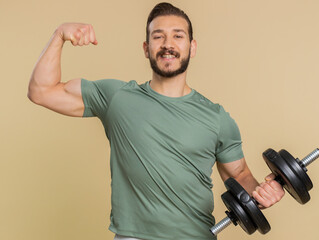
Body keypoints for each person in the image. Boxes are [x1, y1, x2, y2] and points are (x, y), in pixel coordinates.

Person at [28, 2, 284, 240]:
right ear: (146, 48)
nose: (167, 43)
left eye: (177, 35)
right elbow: (41, 91)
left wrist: (263, 193)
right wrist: (59, 35)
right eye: (158, 36)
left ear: (192, 47)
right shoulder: (116, 98)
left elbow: (239, 174)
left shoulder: (216, 117)